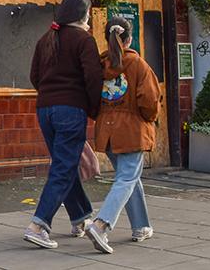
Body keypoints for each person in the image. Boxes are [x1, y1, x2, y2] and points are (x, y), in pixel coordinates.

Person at [23, 0, 103, 249]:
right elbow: (93, 79)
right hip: (71, 109)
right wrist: (94, 109)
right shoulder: (84, 40)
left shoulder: (46, 39)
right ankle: (38, 224)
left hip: (45, 109)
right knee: (63, 167)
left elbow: (34, 76)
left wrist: (50, 94)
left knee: (64, 164)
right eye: (88, 12)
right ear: (82, 14)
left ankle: (80, 217)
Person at [84, 16, 161, 254]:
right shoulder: (138, 65)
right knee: (127, 178)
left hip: (107, 131)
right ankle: (101, 224)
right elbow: (149, 102)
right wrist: (148, 120)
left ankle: (141, 226)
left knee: (128, 177)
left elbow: (91, 98)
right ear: (129, 38)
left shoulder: (99, 66)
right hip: (132, 131)